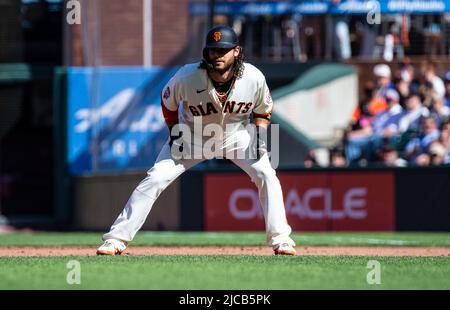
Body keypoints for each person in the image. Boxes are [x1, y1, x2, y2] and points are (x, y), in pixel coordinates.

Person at [96, 25, 297, 256]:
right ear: (206, 52)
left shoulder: (253, 78)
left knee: (266, 174)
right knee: (156, 178)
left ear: (237, 51)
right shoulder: (187, 76)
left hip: (237, 135)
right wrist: (175, 131)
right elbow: (168, 103)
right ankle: (116, 240)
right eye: (213, 50)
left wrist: (260, 135)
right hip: (193, 136)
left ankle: (281, 239)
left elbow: (263, 110)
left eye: (224, 50)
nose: (218, 55)